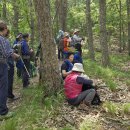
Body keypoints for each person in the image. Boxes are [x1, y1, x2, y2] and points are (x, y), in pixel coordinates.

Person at [0, 21, 19, 118]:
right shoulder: (2, 39)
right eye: (6, 28)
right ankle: (3, 112)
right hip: (2, 65)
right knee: (3, 88)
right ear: (4, 29)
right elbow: (6, 54)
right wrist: (14, 53)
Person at [5, 30, 18, 101]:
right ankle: (9, 95)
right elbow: (8, 53)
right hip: (8, 63)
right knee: (9, 80)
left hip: (5, 63)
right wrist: (14, 53)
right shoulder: (5, 41)